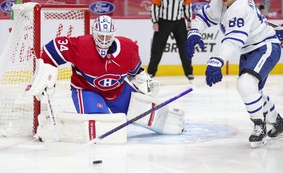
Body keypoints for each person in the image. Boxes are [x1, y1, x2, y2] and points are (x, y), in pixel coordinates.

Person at [26, 15, 185, 142]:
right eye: (100, 36)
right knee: (103, 128)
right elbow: (50, 48)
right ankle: (53, 128)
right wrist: (47, 73)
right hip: (87, 90)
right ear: (94, 34)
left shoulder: (128, 49)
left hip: (118, 90)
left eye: (107, 36)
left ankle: (171, 121)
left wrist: (144, 81)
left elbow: (136, 72)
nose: (103, 40)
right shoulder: (81, 46)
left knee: (147, 113)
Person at [185, 0, 282, 148]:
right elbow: (204, 17)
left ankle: (258, 126)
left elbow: (233, 40)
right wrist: (195, 31)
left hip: (265, 47)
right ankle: (277, 121)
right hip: (249, 50)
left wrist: (217, 61)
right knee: (252, 90)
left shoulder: (242, 8)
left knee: (245, 84)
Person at [148, 0, 193, 80]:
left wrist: (188, 20)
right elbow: (155, 5)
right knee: (157, 48)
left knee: (184, 48)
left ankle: (189, 73)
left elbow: (187, 5)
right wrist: (155, 21)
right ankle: (151, 72)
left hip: (179, 22)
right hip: (164, 22)